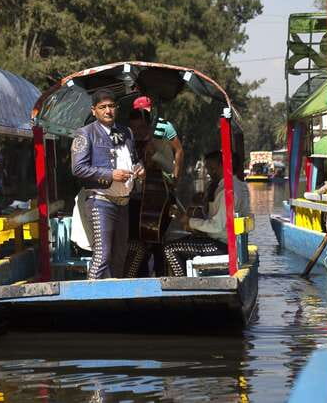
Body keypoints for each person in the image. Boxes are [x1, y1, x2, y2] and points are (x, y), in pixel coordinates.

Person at [71, 89, 145, 279]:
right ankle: (88, 298)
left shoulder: (126, 131)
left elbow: (135, 159)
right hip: (100, 200)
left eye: (111, 106)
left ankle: (114, 301)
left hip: (123, 202)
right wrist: (110, 174)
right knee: (102, 256)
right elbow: (78, 168)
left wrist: (140, 168)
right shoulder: (85, 134)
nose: (108, 111)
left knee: (119, 256)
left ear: (117, 108)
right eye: (102, 107)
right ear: (94, 110)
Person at [162, 150, 249, 276]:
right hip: (230, 243)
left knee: (170, 249)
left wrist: (189, 221)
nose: (209, 173)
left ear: (222, 166)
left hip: (222, 247)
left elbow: (216, 226)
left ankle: (182, 288)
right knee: (183, 243)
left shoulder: (228, 192)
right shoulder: (239, 186)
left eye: (212, 168)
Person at [132, 96, 184, 182]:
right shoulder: (131, 129)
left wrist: (176, 177)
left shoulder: (164, 126)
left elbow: (179, 150)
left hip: (163, 177)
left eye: (146, 112)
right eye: (140, 112)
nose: (144, 116)